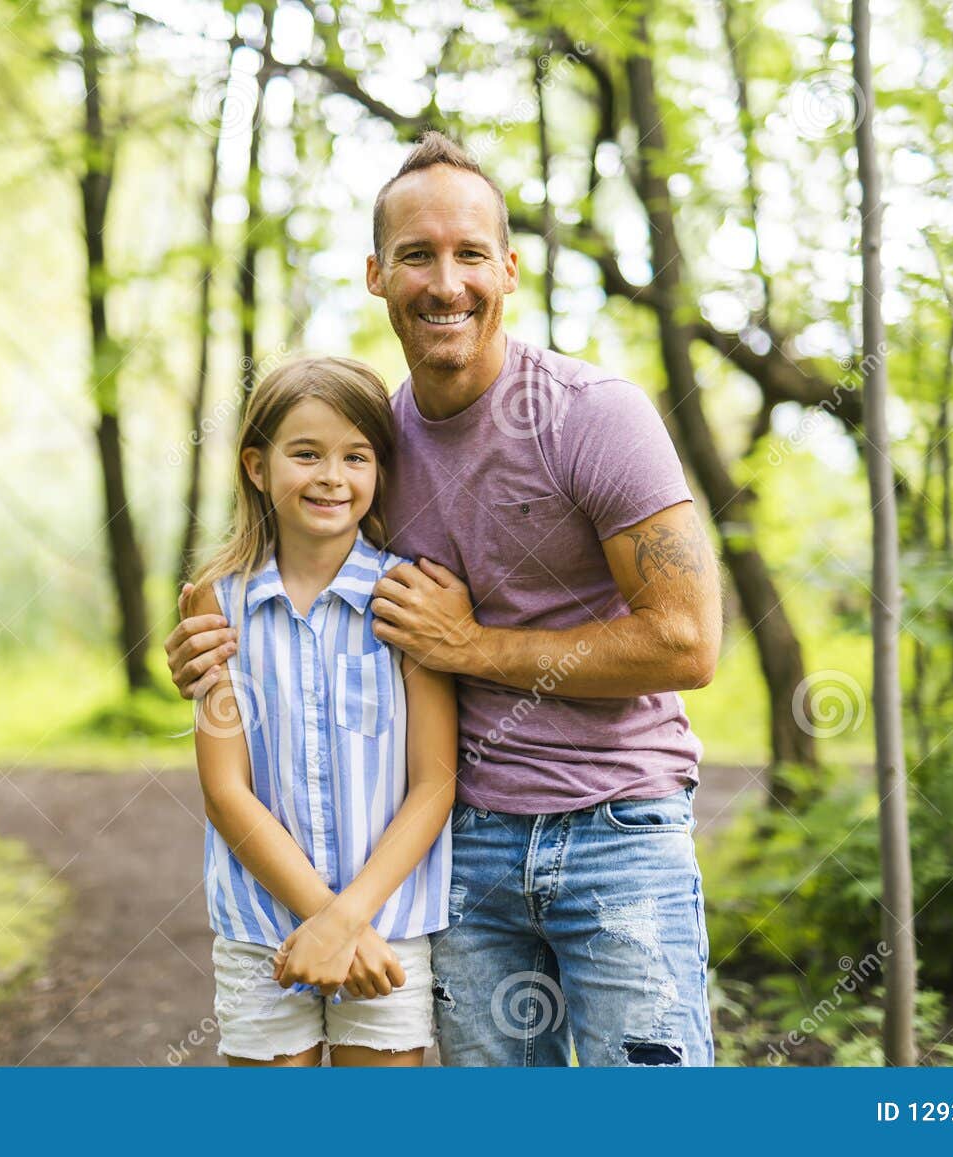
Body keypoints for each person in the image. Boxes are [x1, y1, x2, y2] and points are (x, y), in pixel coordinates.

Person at [169, 133, 722, 1067]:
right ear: (378, 275)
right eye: (418, 255)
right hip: (461, 864)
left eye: (470, 253)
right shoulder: (373, 447)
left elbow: (686, 645)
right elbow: (301, 597)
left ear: (508, 267)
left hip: (618, 831)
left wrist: (471, 647)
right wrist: (204, 644)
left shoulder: (596, 416)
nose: (446, 282)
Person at [183, 354, 457, 1067]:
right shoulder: (219, 603)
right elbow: (224, 787)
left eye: (355, 456)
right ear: (256, 465)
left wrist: (349, 918)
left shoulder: (407, 598)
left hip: (386, 928)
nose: (332, 476)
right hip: (262, 930)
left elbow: (434, 781)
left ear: (379, 469)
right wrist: (323, 917)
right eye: (305, 454)